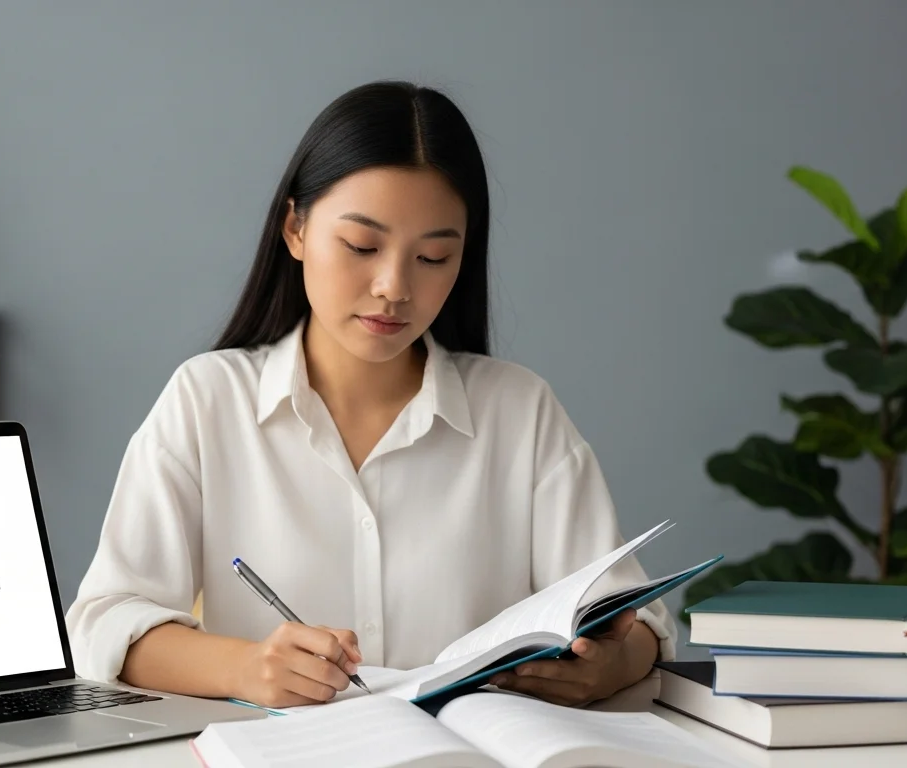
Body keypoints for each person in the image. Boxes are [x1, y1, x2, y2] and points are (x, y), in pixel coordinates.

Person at [65, 80, 676, 710]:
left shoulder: (519, 411)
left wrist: (610, 665)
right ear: (296, 229)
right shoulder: (207, 399)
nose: (393, 286)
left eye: (434, 257)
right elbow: (103, 623)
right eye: (361, 246)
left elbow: (636, 617)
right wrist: (246, 667)